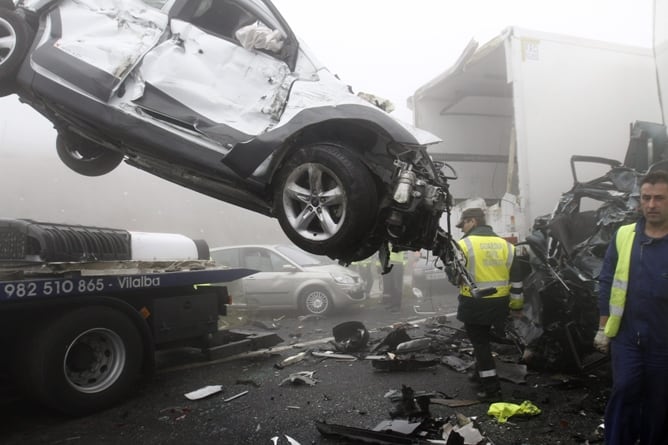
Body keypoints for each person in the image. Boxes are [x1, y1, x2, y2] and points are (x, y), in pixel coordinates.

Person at [595, 169, 668, 445]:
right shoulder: (624, 235)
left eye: (659, 198)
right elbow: (606, 280)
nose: (651, 204)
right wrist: (603, 328)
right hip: (627, 336)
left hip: (664, 339)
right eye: (646, 198)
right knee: (624, 390)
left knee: (659, 401)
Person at [454, 207, 525, 401]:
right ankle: (478, 375)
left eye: (464, 224)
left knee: (481, 344)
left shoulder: (463, 245)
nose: (462, 229)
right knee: (484, 342)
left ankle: (491, 389)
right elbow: (517, 280)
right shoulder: (506, 246)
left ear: (473, 221)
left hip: (474, 303)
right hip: (500, 304)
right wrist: (516, 306)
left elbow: (454, 277)